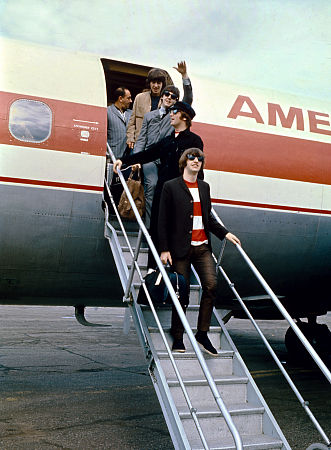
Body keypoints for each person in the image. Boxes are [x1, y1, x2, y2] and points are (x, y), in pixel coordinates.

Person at [158, 148, 241, 354]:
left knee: (211, 286)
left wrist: (225, 233)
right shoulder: (171, 187)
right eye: (192, 157)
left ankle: (202, 334)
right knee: (182, 294)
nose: (196, 160)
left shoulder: (204, 187)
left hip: (202, 247)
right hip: (180, 249)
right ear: (184, 162)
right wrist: (164, 249)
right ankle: (177, 336)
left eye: (200, 158)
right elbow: (162, 220)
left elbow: (208, 218)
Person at [114, 102, 203, 265]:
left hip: (181, 194)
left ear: (184, 116)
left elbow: (198, 171)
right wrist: (123, 160)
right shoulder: (167, 141)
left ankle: (176, 272)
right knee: (156, 228)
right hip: (162, 193)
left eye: (173, 111)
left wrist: (198, 196)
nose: (170, 114)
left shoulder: (194, 141)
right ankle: (152, 269)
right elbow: (147, 154)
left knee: (176, 231)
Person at [133, 81, 192, 228]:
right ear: (161, 96)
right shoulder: (149, 116)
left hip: (166, 160)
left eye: (173, 96)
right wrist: (137, 159)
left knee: (167, 191)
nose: (169, 98)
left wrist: (185, 78)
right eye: (167, 94)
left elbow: (188, 98)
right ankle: (149, 227)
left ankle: (162, 227)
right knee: (151, 186)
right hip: (150, 159)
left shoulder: (174, 116)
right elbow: (141, 139)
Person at [126, 61, 192, 149]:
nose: (156, 85)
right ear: (149, 83)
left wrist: (184, 76)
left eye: (159, 83)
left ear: (162, 84)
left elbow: (188, 98)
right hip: (139, 144)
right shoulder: (139, 98)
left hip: (158, 147)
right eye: (153, 82)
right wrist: (130, 138)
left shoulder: (169, 103)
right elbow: (132, 122)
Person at [107, 87, 132, 159]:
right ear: (120, 98)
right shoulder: (107, 112)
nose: (131, 101)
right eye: (128, 98)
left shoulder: (132, 114)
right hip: (113, 158)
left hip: (128, 159)